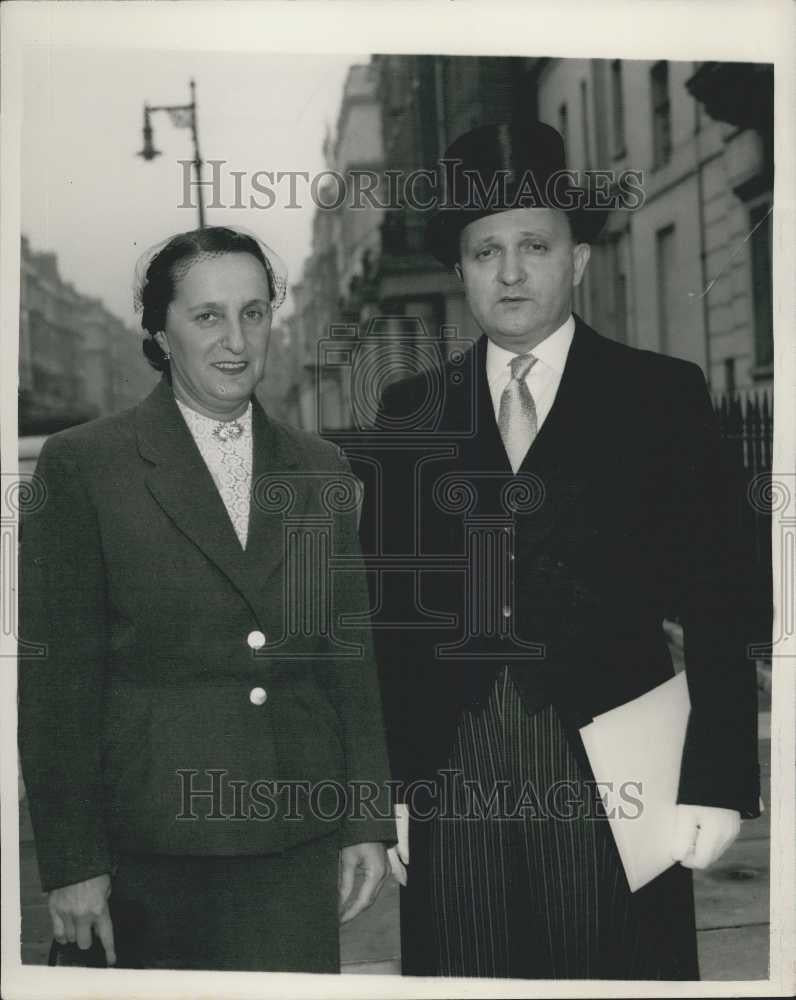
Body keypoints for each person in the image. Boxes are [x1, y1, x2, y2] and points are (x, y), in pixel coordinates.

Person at [362, 123, 760, 979]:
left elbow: (721, 603)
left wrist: (718, 779)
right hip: (454, 773)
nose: (510, 272)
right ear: (461, 271)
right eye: (484, 251)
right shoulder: (409, 413)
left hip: (615, 769)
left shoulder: (658, 398)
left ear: (578, 260)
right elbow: (387, 622)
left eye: (534, 245)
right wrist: (387, 791)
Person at [19, 225, 394, 972]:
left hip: (295, 839)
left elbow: (348, 663)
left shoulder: (321, 469)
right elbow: (56, 685)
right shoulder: (86, 465)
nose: (236, 340)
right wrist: (72, 863)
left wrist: (365, 821)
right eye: (208, 316)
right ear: (160, 332)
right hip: (153, 850)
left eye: (254, 313)